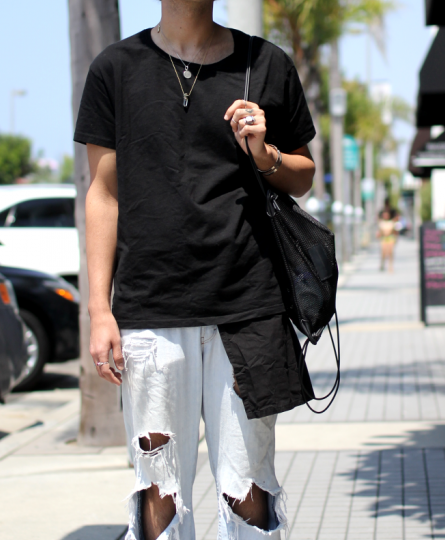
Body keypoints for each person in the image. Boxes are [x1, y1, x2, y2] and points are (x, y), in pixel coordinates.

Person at [75, 1, 317, 538]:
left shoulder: (267, 62)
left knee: (249, 491)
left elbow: (302, 176)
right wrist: (99, 308)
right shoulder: (115, 68)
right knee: (158, 497)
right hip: (150, 310)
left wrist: (263, 153)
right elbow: (103, 195)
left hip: (248, 309)